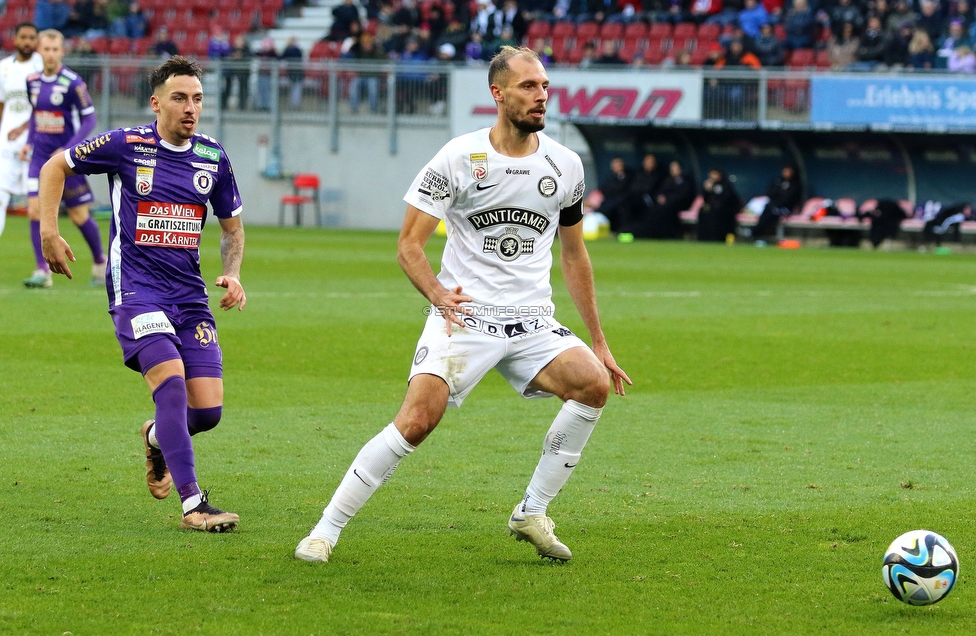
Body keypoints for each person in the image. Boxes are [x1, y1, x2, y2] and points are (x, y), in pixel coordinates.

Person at [295, 45, 631, 564]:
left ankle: (531, 511)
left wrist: (600, 341)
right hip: (465, 316)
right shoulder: (457, 157)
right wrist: (436, 295)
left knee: (591, 384)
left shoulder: (564, 164)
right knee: (416, 421)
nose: (541, 95)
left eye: (543, 85)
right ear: (498, 94)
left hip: (533, 321)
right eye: (528, 86)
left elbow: (574, 253)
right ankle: (326, 529)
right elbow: (410, 244)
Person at [39, 56, 247, 532]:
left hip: (189, 296)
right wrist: (49, 231)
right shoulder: (124, 145)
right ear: (156, 103)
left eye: (196, 98)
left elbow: (232, 229)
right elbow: (56, 165)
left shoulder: (213, 157)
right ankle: (194, 504)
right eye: (179, 98)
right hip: (136, 291)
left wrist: (233, 274)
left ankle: (156, 438)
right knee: (170, 385)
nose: (190, 107)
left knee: (207, 411)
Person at [20, 29, 104, 288]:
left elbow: (89, 119)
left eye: (56, 50)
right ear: (39, 50)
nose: (51, 55)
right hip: (40, 158)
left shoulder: (73, 82)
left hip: (66, 161)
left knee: (79, 215)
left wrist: (68, 149)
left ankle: (100, 263)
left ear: (62, 51)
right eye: (46, 49)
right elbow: (36, 116)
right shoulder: (32, 80)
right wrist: (28, 142)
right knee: (35, 210)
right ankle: (42, 271)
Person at [0, 22, 42, 238]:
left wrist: (23, 127)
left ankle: (42, 266)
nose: (27, 42)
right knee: (0, 195)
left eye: (31, 37)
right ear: (15, 39)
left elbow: (43, 107)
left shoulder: (41, 66)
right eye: (23, 37)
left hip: (33, 142)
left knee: (36, 203)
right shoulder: (3, 67)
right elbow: (1, 103)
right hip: (6, 143)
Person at [749, 164, 802, 240]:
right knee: (767, 210)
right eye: (784, 171)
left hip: (786, 208)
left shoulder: (796, 184)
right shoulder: (778, 181)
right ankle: (756, 233)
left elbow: (790, 198)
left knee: (771, 212)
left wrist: (781, 193)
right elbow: (770, 193)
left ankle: (755, 232)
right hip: (773, 206)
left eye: (788, 171)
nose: (785, 173)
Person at [696, 167, 742, 242]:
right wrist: (707, 190)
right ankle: (704, 237)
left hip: (725, 210)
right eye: (711, 174)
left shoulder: (726, 185)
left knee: (717, 213)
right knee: (703, 212)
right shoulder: (709, 184)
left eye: (715, 174)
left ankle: (718, 238)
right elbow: (706, 199)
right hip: (713, 209)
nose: (713, 176)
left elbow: (728, 199)